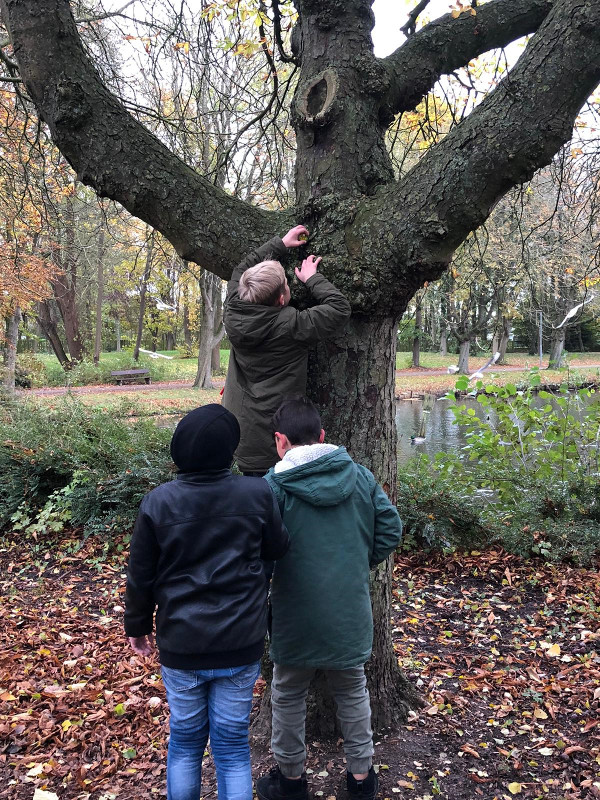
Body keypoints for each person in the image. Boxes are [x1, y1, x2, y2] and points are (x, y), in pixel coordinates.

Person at [124, 404, 289, 800]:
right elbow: (279, 547)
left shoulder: (158, 502)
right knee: (232, 747)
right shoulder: (257, 492)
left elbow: (140, 575)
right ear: (230, 449)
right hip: (240, 639)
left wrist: (137, 627)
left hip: (182, 642)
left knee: (184, 742)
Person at [256, 396, 403, 800]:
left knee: (287, 692)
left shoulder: (272, 487)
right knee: (353, 690)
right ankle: (361, 780)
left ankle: (290, 781)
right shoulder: (359, 476)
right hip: (348, 609)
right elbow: (390, 529)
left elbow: (262, 547)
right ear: (322, 436)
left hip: (293, 611)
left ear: (280, 441)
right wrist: (357, 563)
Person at [222, 225, 351, 476]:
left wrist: (280, 244)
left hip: (242, 432)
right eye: (286, 285)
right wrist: (313, 278)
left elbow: (240, 270)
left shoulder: (233, 308)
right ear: (281, 299)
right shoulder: (292, 326)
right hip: (278, 440)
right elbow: (339, 309)